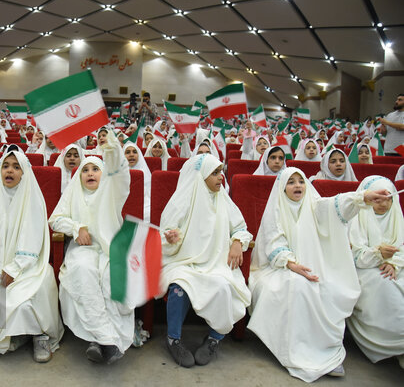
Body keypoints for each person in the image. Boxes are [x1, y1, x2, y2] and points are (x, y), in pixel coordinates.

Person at [248, 168, 390, 381]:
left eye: (301, 181)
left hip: (316, 265)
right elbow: (273, 242)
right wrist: (291, 263)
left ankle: (326, 352)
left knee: (327, 287)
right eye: (291, 182)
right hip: (280, 267)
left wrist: (362, 197)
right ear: (282, 187)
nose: (297, 186)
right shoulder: (276, 210)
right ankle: (295, 352)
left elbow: (335, 206)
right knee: (297, 287)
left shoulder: (314, 206)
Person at [0, 151, 64, 364]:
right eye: (6, 165)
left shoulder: (32, 198)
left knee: (32, 291)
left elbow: (33, 239)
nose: (10, 170)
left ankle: (38, 335)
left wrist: (15, 268)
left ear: (24, 173)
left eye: (16, 167)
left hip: (27, 263)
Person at [160, 153, 252, 368]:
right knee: (179, 287)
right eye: (215, 173)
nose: (221, 177)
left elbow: (240, 228)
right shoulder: (181, 201)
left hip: (216, 263)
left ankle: (213, 339)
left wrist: (238, 241)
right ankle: (173, 340)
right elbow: (163, 235)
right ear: (201, 176)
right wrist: (170, 238)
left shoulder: (224, 200)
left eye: (221, 172)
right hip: (184, 262)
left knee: (224, 287)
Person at [49, 130, 132, 364]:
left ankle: (99, 341)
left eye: (95, 169)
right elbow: (55, 219)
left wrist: (112, 147)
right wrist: (77, 228)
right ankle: (107, 340)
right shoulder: (72, 193)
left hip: (109, 250)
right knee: (84, 273)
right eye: (85, 170)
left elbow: (121, 173)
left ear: (103, 173)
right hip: (82, 250)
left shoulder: (113, 191)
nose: (90, 173)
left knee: (108, 279)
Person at [347, 176, 404, 367]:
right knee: (386, 287)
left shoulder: (397, 216)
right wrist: (378, 254)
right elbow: (356, 255)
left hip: (396, 267)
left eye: (388, 198)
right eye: (377, 199)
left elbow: (402, 247)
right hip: (365, 269)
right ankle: (396, 345)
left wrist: (394, 262)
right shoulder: (358, 217)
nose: (383, 204)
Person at [123, 141, 151, 222]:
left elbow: (149, 195)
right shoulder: (118, 174)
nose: (131, 154)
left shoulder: (145, 173)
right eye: (127, 152)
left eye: (134, 152)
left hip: (144, 206)